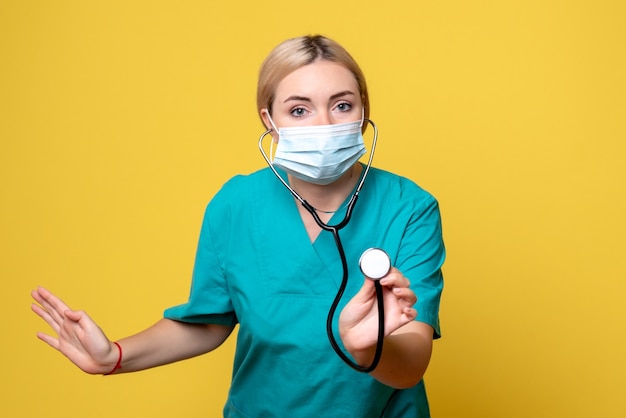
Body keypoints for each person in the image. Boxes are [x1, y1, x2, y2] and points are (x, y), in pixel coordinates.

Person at [31, 35, 445, 417]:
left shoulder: (410, 208)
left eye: (341, 105)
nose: (323, 124)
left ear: (363, 111)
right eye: (299, 110)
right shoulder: (236, 204)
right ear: (270, 120)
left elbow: (411, 363)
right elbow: (209, 321)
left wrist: (365, 348)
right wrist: (114, 357)